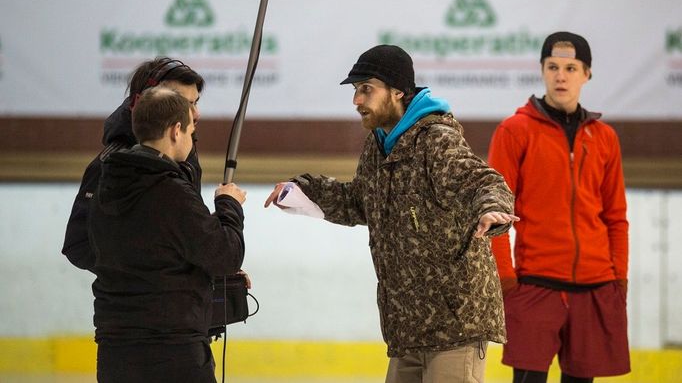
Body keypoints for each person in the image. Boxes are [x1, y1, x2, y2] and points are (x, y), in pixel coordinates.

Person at [265, 44, 519, 383]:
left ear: (398, 91)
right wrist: (304, 191)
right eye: (356, 91)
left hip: (455, 324)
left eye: (366, 89)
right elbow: (359, 200)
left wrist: (492, 209)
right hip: (408, 328)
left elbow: (483, 182)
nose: (357, 100)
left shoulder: (435, 139)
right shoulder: (379, 143)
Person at [488, 32, 630, 383]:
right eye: (553, 67)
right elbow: (494, 214)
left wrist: (619, 279)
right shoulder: (514, 131)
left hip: (595, 286)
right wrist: (506, 278)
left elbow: (615, 218)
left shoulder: (605, 137)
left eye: (571, 67)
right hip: (535, 284)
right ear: (542, 70)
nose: (561, 76)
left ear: (587, 74)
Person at [89, 87, 246, 382]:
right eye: (190, 128)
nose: (191, 137)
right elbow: (225, 254)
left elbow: (157, 251)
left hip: (114, 354)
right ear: (176, 131)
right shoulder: (171, 192)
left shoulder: (105, 187)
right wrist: (229, 205)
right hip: (172, 353)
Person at [63, 57, 204, 271]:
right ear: (142, 102)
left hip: (181, 299)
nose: (195, 115)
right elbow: (78, 245)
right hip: (135, 299)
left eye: (195, 103)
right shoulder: (107, 165)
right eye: (183, 103)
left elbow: (190, 234)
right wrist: (142, 276)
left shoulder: (187, 155)